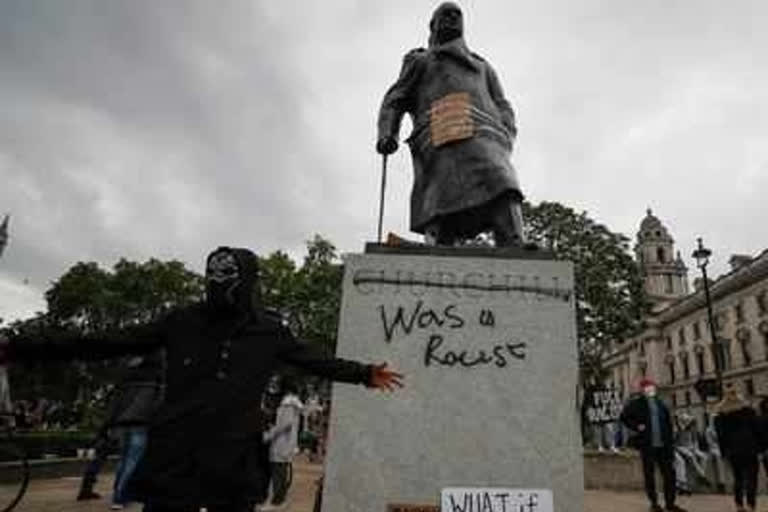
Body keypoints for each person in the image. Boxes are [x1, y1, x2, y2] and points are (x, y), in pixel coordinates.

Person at [0, 246, 404, 512]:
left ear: (247, 283)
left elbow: (315, 361)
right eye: (214, 278)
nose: (220, 288)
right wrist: (23, 347)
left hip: (233, 457)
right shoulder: (181, 322)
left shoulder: (269, 332)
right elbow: (106, 341)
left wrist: (365, 374)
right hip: (176, 454)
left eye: (229, 279)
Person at [376, 2, 526, 247]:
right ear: (432, 25)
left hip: (487, 135)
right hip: (442, 132)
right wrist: (387, 132)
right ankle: (440, 243)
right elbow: (395, 99)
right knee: (443, 197)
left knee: (503, 181)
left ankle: (513, 241)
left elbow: (502, 102)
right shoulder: (421, 60)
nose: (452, 18)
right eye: (445, 15)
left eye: (457, 15)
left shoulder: (482, 66)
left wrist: (506, 130)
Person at [620, 378, 686, 512]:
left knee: (669, 474)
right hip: (647, 445)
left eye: (651, 387)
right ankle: (654, 503)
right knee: (649, 475)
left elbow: (668, 423)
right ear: (643, 390)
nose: (650, 390)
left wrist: (670, 442)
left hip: (664, 446)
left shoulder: (661, 404)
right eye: (647, 388)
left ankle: (670, 503)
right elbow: (624, 417)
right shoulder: (636, 404)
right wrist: (637, 426)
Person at [109, 353, 165, 510]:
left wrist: (111, 422)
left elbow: (116, 401)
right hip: (141, 422)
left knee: (123, 460)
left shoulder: (128, 376)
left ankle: (117, 494)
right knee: (133, 461)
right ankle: (121, 497)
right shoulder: (156, 377)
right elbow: (158, 402)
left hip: (122, 421)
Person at [715, 382, 762, 512]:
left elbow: (720, 435)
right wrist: (762, 447)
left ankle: (739, 505)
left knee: (738, 478)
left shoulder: (721, 412)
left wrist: (723, 452)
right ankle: (751, 505)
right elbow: (757, 429)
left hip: (733, 450)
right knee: (752, 477)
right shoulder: (747, 408)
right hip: (750, 447)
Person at [261, 379, 303, 510]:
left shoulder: (288, 404)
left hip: (281, 442)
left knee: (278, 471)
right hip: (285, 442)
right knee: (281, 470)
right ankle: (279, 499)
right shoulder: (293, 403)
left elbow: (284, 424)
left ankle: (277, 501)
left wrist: (269, 435)